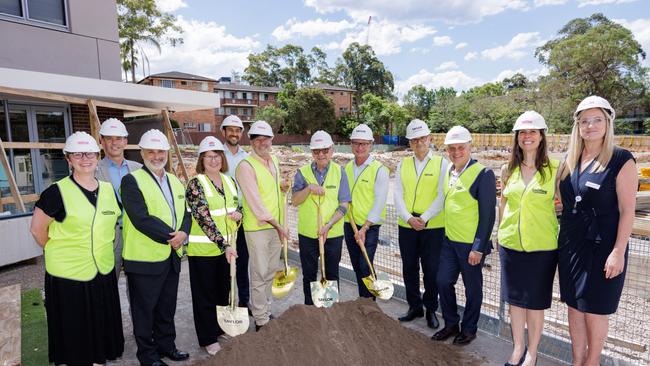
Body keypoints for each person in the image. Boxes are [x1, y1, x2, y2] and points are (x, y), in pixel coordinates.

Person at [30, 131, 124, 365]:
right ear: (68, 159)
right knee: (75, 327)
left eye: (90, 153)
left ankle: (97, 358)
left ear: (97, 155)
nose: (85, 158)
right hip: (68, 274)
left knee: (99, 323)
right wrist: (55, 250)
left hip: (102, 270)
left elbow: (112, 225)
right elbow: (37, 230)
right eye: (78, 154)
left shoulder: (108, 190)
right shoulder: (56, 192)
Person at [557, 96, 637, 366]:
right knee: (574, 307)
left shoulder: (621, 160)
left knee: (595, 309)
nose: (590, 126)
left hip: (603, 247)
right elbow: (562, 202)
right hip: (571, 245)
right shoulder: (569, 161)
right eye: (584, 121)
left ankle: (592, 362)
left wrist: (618, 252)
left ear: (608, 123)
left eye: (597, 120)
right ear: (577, 126)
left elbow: (628, 210)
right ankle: (577, 360)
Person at [121, 129, 191, 366]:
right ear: (142, 153)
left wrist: (184, 232)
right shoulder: (131, 181)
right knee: (144, 311)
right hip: (144, 260)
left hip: (171, 257)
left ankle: (166, 346)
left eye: (160, 151)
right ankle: (148, 356)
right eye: (150, 151)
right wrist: (173, 237)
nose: (156, 155)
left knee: (166, 308)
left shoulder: (174, 180)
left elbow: (186, 212)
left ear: (167, 153)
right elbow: (141, 218)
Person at [497, 111, 559, 366]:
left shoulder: (556, 169)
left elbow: (564, 204)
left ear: (542, 136)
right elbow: (503, 203)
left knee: (534, 304)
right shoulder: (507, 169)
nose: (527, 136)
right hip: (510, 245)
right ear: (517, 138)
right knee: (515, 302)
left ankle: (532, 352)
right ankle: (517, 348)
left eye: (532, 131)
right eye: (522, 132)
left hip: (542, 247)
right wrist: (499, 233)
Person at [432, 125, 496, 346]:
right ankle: (451, 323)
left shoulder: (483, 174)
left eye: (461, 147)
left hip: (471, 245)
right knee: (442, 281)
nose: (456, 152)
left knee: (472, 288)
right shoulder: (450, 171)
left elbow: (488, 215)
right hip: (450, 242)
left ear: (470, 147)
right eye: (451, 148)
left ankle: (469, 329)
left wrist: (478, 247)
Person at [185, 136, 240, 355]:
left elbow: (237, 208)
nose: (214, 160)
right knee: (204, 296)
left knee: (221, 292)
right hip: (204, 251)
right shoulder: (196, 184)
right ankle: (208, 338)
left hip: (226, 250)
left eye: (217, 156)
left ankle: (218, 328)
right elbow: (203, 219)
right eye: (209, 156)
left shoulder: (229, 181)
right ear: (202, 159)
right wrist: (223, 244)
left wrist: (239, 214)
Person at [236, 120, 289, 331]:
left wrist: (281, 186)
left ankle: (265, 310)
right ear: (251, 142)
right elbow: (256, 202)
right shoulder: (245, 166)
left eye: (266, 139)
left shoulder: (273, 160)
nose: (262, 143)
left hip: (276, 226)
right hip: (258, 227)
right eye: (257, 139)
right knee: (259, 273)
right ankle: (260, 320)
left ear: (271, 140)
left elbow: (271, 191)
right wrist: (279, 226)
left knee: (271, 271)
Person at [395, 119, 447, 329]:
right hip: (407, 225)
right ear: (409, 143)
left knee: (431, 270)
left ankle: (431, 310)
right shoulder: (402, 164)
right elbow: (398, 194)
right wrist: (408, 217)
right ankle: (414, 306)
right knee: (409, 268)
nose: (418, 143)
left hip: (432, 226)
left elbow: (442, 195)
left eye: (421, 138)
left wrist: (423, 218)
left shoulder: (442, 163)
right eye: (413, 140)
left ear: (429, 139)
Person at [292, 130, 351, 305]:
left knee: (332, 274)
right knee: (309, 274)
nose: (321, 154)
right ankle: (310, 311)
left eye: (325, 150)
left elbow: (344, 205)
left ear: (331, 150)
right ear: (312, 153)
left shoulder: (340, 172)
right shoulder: (302, 173)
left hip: (332, 235)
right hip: (308, 234)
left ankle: (330, 308)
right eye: (316, 151)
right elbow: (295, 201)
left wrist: (328, 226)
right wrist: (309, 188)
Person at [343, 124, 389, 299]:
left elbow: (379, 201)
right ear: (351, 144)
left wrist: (365, 227)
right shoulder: (347, 168)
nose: (359, 147)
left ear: (370, 145)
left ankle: (369, 300)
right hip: (350, 224)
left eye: (364, 144)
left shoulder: (379, 170)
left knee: (365, 264)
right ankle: (363, 299)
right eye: (356, 143)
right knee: (356, 264)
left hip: (368, 227)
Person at [95, 118, 142, 279]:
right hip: (108, 238)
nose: (114, 143)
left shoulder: (139, 169)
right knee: (107, 286)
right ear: (101, 141)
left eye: (119, 138)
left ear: (125, 141)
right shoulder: (93, 171)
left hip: (136, 236)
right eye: (109, 138)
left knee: (138, 287)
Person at [220, 115, 251, 310]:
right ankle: (226, 301)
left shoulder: (246, 158)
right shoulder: (216, 154)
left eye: (237, 130)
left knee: (243, 259)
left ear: (241, 133)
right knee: (225, 261)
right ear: (223, 132)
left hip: (242, 216)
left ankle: (243, 301)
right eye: (230, 129)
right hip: (222, 216)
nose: (234, 133)